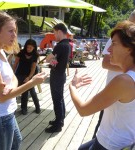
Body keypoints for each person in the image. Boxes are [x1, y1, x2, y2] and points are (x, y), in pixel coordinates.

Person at [0, 11, 47, 150]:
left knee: (16, 143)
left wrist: (10, 87)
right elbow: (1, 97)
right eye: (11, 31)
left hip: (7, 112)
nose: (15, 35)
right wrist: (32, 83)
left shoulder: (0, 51)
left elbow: (13, 77)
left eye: (16, 31)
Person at [69, 20, 135, 150]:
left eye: (114, 44)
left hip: (109, 144)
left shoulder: (124, 81)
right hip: (126, 141)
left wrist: (73, 86)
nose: (109, 49)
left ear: (129, 48)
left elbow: (83, 110)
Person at [92, 10, 135, 139]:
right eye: (131, 23)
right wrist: (128, 67)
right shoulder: (119, 37)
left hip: (128, 98)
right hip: (114, 92)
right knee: (101, 132)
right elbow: (105, 63)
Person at [45, 23, 71, 133]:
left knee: (57, 100)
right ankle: (60, 119)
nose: (54, 35)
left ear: (59, 32)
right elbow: (57, 60)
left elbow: (48, 59)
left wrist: (50, 55)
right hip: (61, 74)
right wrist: (52, 60)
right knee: (60, 99)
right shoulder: (68, 44)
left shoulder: (60, 45)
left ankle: (58, 125)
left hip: (57, 76)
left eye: (54, 33)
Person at [13, 39, 41, 115]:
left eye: (30, 48)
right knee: (16, 91)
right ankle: (19, 108)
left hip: (30, 75)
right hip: (19, 74)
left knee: (31, 91)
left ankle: (36, 107)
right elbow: (15, 64)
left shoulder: (35, 55)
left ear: (34, 48)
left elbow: (33, 69)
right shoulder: (21, 53)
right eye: (27, 47)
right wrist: (12, 74)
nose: (28, 49)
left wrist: (28, 77)